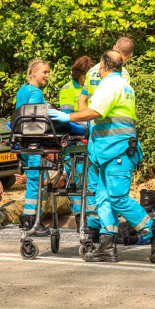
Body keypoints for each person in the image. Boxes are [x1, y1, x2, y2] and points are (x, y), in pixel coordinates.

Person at [50, 50, 155, 263]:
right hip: (108, 152)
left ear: (103, 65)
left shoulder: (111, 85)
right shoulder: (123, 84)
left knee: (117, 198)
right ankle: (107, 245)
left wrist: (66, 116)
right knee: (103, 197)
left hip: (117, 150)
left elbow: (95, 111)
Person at [76, 38, 133, 244]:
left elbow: (82, 99)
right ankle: (109, 230)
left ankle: (93, 228)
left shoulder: (92, 71)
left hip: (94, 133)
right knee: (112, 188)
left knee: (94, 184)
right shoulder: (121, 76)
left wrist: (83, 121)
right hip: (111, 138)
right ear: (129, 56)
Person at [14, 58, 51, 235]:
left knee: (32, 181)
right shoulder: (35, 93)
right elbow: (35, 120)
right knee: (35, 182)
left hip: (23, 141)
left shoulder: (22, 90)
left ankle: (28, 218)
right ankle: (32, 220)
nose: (47, 75)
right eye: (45, 72)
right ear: (34, 72)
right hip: (34, 140)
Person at [59, 56, 94, 218]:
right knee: (77, 175)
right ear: (78, 73)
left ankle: (91, 213)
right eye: (85, 75)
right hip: (76, 136)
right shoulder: (68, 89)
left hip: (91, 135)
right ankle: (80, 214)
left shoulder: (91, 87)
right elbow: (67, 117)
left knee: (90, 176)